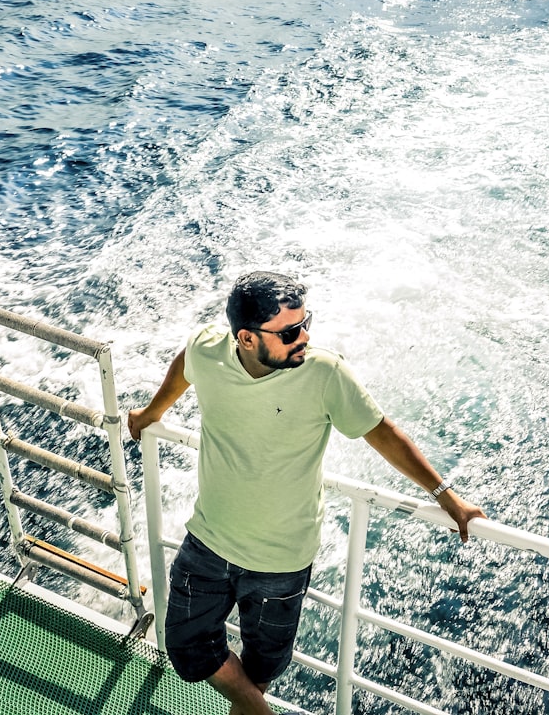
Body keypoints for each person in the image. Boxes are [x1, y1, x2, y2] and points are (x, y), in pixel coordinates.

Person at [127, 271, 486, 715]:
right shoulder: (209, 348)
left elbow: (383, 433)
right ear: (246, 338)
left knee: (260, 669)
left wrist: (448, 497)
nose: (305, 337)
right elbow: (187, 364)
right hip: (209, 539)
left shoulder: (324, 372)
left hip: (282, 559)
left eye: (305, 323)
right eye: (290, 331)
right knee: (184, 641)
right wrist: (151, 412)